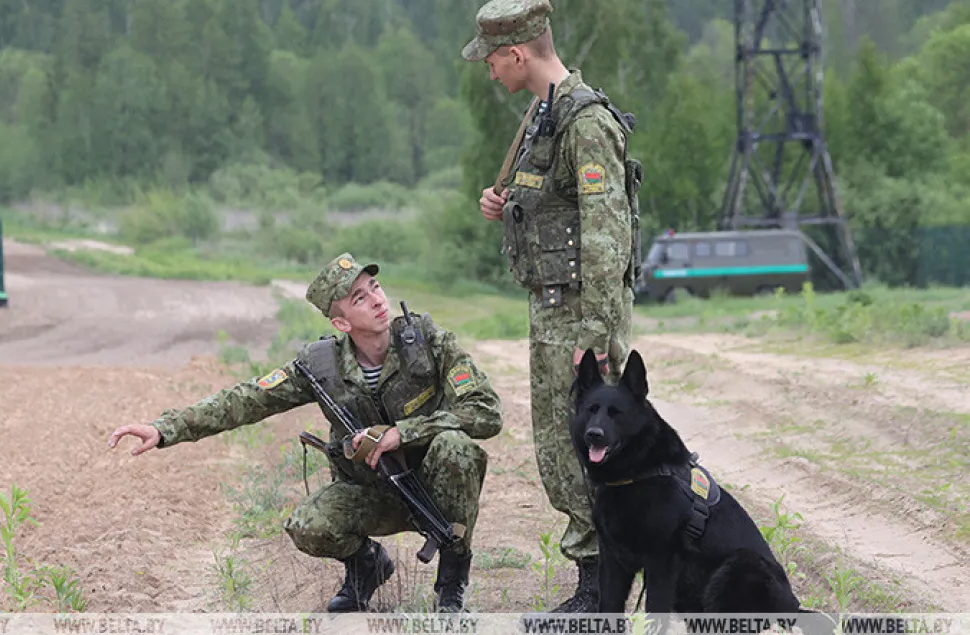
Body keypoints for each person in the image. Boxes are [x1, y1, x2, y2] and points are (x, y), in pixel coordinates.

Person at [108, 253, 503, 613]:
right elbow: (246, 399)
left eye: (375, 287)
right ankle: (366, 566)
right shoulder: (320, 366)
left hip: (436, 490)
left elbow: (485, 411)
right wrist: (165, 428)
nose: (378, 300)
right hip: (373, 494)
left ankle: (451, 587)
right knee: (309, 526)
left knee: (457, 447)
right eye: (360, 299)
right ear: (341, 323)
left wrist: (402, 433)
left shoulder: (429, 341)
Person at [460, 0, 642, 613]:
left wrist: (593, 335)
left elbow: (605, 233)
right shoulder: (544, 116)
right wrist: (503, 202)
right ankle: (596, 586)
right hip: (554, 311)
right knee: (562, 450)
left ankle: (603, 595)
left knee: (590, 449)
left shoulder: (584, 122)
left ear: (516, 54)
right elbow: (552, 203)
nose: (489, 71)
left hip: (578, 318)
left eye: (491, 59)